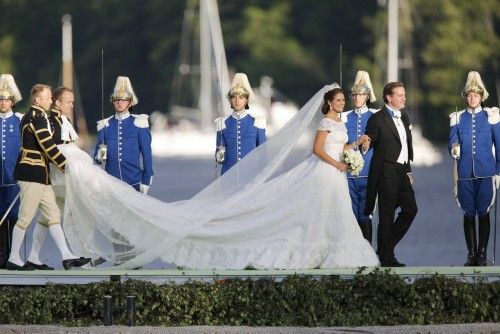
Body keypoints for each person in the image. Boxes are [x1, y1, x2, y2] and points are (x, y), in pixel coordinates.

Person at [57, 84, 379, 270]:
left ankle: (326, 252)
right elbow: (316, 149)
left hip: (307, 176)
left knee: (328, 216)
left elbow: (262, 151)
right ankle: (123, 254)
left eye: (124, 99)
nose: (342, 103)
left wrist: (356, 146)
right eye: (338, 100)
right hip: (237, 177)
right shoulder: (225, 122)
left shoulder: (260, 120)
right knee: (228, 217)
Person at [6, 84, 90, 270]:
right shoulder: (36, 118)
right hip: (30, 173)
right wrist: (66, 166)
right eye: (47, 97)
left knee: (52, 215)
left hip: (40, 175)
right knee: (25, 218)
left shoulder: (38, 117)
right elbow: (48, 146)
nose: (51, 101)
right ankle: (13, 258)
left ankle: (66, 256)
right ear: (37, 100)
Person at [362, 81, 417, 267]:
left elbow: (406, 145)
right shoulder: (377, 118)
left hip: (402, 171)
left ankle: (385, 248)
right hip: (386, 171)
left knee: (411, 210)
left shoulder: (405, 117)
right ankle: (387, 257)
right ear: (389, 97)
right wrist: (366, 143)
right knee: (387, 215)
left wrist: (408, 170)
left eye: (404, 94)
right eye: (400, 95)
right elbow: (370, 138)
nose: (404, 98)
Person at [448, 71, 499, 266]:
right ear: (465, 97)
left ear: (481, 97)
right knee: (468, 213)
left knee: (484, 212)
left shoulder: (491, 117)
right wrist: (454, 148)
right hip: (465, 173)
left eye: (475, 95)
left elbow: (499, 145)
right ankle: (471, 254)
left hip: (486, 172)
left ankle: (482, 254)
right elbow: (452, 140)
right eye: (469, 95)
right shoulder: (457, 118)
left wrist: (498, 171)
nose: (472, 98)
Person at [26, 87, 79, 270]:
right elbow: (48, 147)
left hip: (64, 177)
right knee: (51, 215)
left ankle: (34, 256)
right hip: (57, 176)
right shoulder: (49, 120)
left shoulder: (65, 119)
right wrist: (66, 165)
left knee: (47, 217)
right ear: (57, 102)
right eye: (68, 102)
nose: (72, 105)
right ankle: (74, 254)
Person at [94, 76, 153, 194]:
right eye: (116, 100)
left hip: (134, 182)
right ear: (113, 102)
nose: (119, 102)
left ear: (130, 103)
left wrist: (146, 180)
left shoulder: (139, 124)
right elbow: (99, 160)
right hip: (111, 183)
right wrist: (101, 154)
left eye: (123, 100)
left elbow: (147, 155)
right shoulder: (105, 125)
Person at [343, 71, 377, 243]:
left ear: (367, 96)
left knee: (366, 215)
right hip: (347, 174)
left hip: (368, 171)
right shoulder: (344, 117)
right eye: (354, 94)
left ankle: (368, 253)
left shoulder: (375, 116)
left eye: (361, 94)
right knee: (350, 214)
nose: (357, 98)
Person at [215, 73, 266, 174]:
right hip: (228, 176)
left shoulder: (257, 123)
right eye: (234, 97)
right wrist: (219, 155)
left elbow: (262, 154)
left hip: (251, 176)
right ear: (230, 100)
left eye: (241, 97)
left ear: (246, 100)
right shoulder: (222, 123)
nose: (237, 101)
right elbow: (219, 157)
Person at [0, 74, 22, 268]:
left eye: (6, 99)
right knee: (0, 219)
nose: (2, 102)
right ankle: (2, 256)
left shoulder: (20, 121)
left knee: (15, 218)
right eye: (0, 99)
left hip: (15, 179)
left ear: (12, 101)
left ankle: (14, 257)